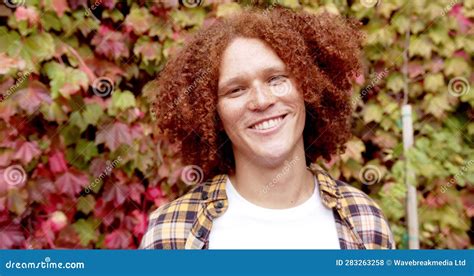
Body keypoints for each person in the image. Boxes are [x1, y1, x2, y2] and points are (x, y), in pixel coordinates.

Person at [140, 7, 395, 249]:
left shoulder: (364, 221)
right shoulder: (172, 232)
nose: (261, 101)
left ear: (308, 86)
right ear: (211, 114)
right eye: (236, 90)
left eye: (276, 79)